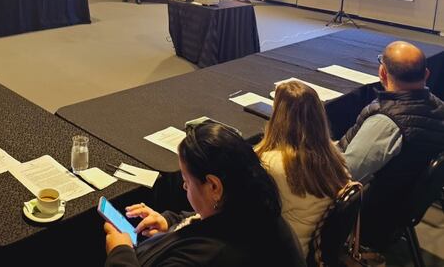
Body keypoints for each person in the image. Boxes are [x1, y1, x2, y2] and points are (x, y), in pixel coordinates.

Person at [104, 121, 304, 267]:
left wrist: (119, 252)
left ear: (214, 187)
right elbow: (202, 219)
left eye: (187, 181)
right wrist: (169, 222)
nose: (184, 187)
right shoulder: (252, 207)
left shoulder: (212, 255)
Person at [338, 41, 444, 247]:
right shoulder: (439, 108)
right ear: (427, 74)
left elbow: (344, 174)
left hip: (374, 213)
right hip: (405, 202)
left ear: (382, 73)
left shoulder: (386, 124)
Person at [255, 80, 351, 253]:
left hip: (278, 253)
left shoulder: (270, 164)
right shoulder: (334, 158)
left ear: (278, 116)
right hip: (308, 250)